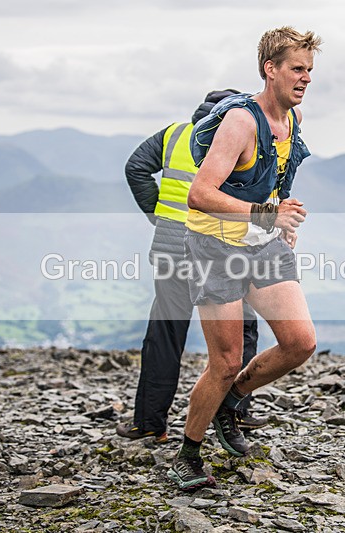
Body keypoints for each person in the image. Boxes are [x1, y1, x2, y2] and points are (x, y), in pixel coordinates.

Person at [166, 26, 323, 491]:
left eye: (310, 70)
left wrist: (282, 219)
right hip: (214, 248)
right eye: (297, 68)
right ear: (269, 69)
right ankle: (188, 455)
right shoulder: (240, 121)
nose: (306, 78)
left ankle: (233, 402)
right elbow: (200, 194)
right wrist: (268, 213)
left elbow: (277, 176)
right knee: (226, 359)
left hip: (261, 241)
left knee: (300, 343)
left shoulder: (292, 121)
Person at [118, 90, 268, 445]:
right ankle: (236, 412)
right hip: (224, 252)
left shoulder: (174, 134)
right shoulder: (245, 137)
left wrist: (158, 215)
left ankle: (150, 422)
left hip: (173, 250)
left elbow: (135, 167)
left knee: (165, 335)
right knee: (242, 330)